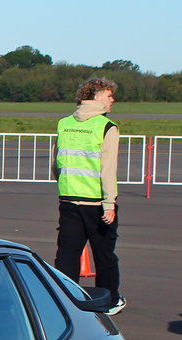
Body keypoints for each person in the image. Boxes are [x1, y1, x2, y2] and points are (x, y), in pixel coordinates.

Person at [52, 76, 125, 315]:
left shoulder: (64, 124)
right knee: (104, 254)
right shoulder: (106, 126)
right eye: (108, 94)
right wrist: (109, 202)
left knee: (67, 254)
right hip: (96, 202)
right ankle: (109, 300)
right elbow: (108, 168)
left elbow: (56, 163)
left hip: (68, 198)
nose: (112, 99)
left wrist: (65, 184)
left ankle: (64, 298)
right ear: (96, 96)